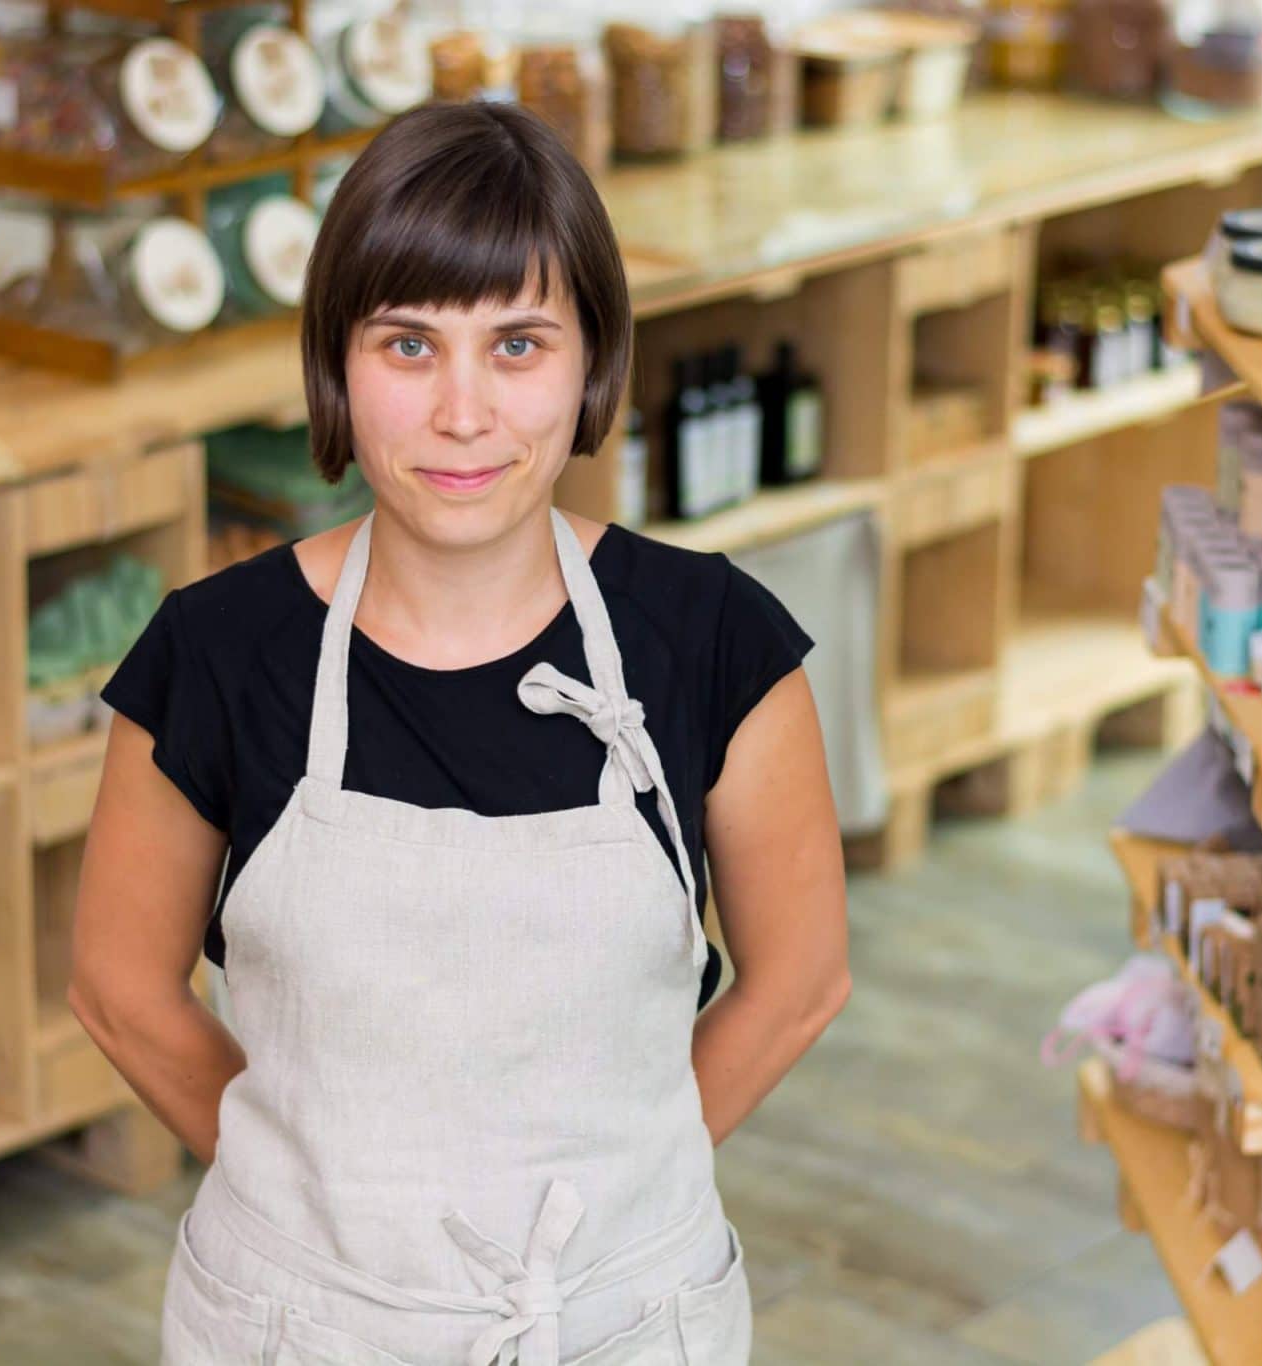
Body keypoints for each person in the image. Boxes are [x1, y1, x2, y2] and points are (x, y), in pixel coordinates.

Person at [71, 100, 851, 1365]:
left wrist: (623, 1199)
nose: (464, 412)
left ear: (592, 362)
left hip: (623, 1323)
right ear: (336, 366)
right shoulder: (215, 654)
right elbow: (117, 991)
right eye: (408, 345)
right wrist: (321, 1215)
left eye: (519, 343)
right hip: (292, 1327)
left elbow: (800, 979)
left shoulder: (712, 641)